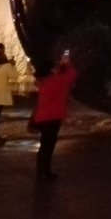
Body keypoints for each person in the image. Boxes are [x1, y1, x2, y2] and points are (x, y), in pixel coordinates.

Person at [32, 53, 77, 181]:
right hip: (54, 117)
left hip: (42, 117)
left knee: (44, 146)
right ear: (51, 69)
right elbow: (72, 75)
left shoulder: (43, 82)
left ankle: (41, 172)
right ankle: (45, 173)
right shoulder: (58, 80)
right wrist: (67, 63)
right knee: (49, 146)